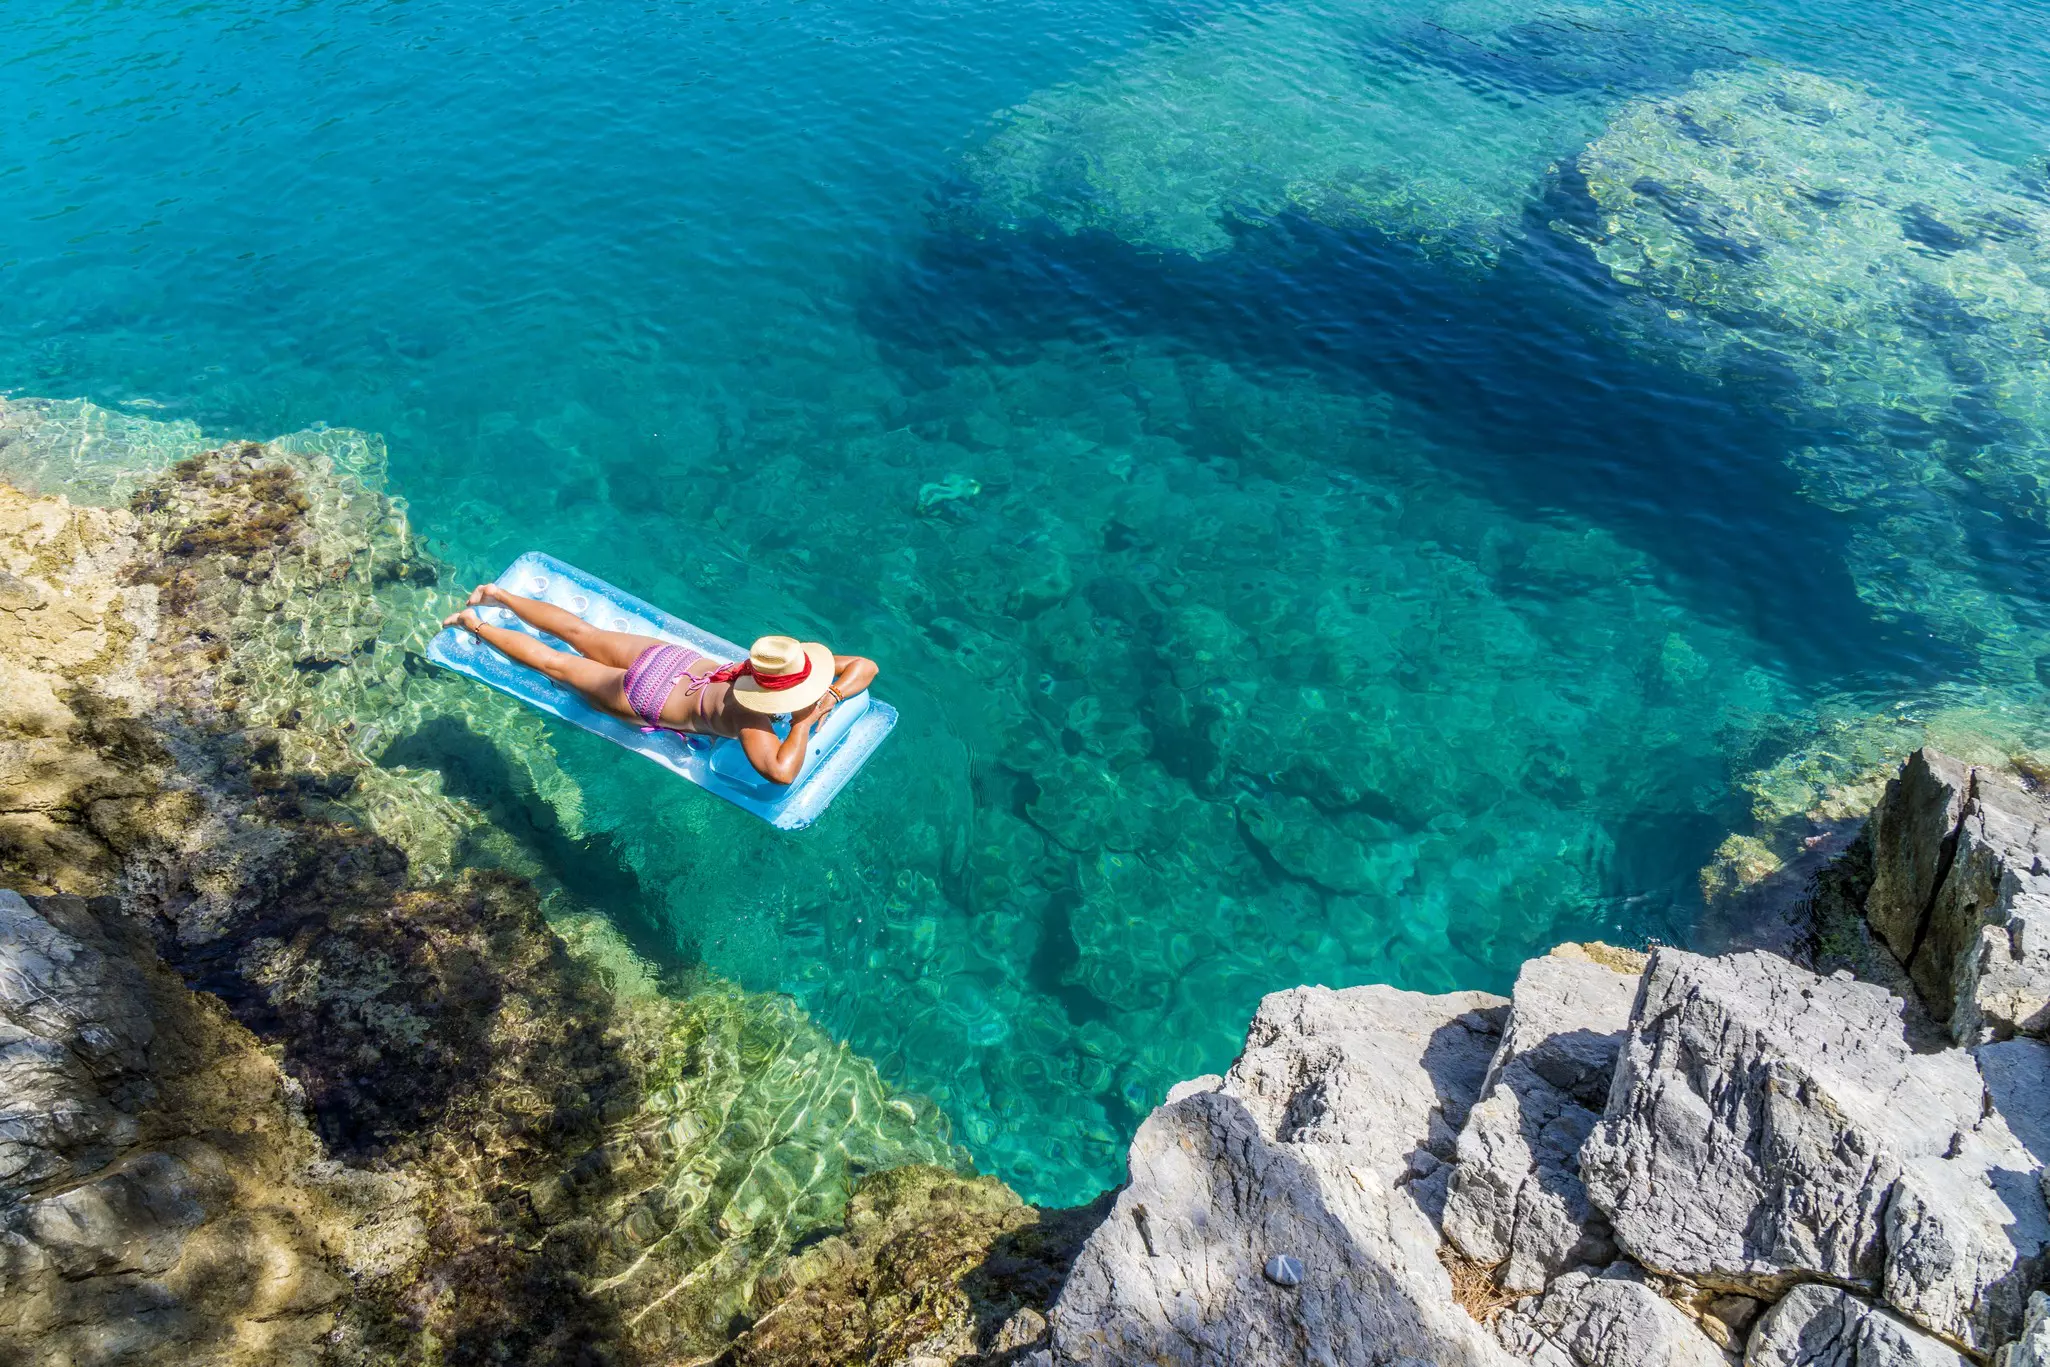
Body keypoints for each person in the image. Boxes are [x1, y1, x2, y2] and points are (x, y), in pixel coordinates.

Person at [441, 584, 876, 785]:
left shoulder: (774, 665)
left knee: (581, 635)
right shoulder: (750, 717)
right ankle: (472, 624)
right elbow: (780, 773)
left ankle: (498, 596)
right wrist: (804, 720)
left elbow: (864, 665)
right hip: (646, 696)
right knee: (554, 664)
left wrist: (834, 694)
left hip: (671, 662)